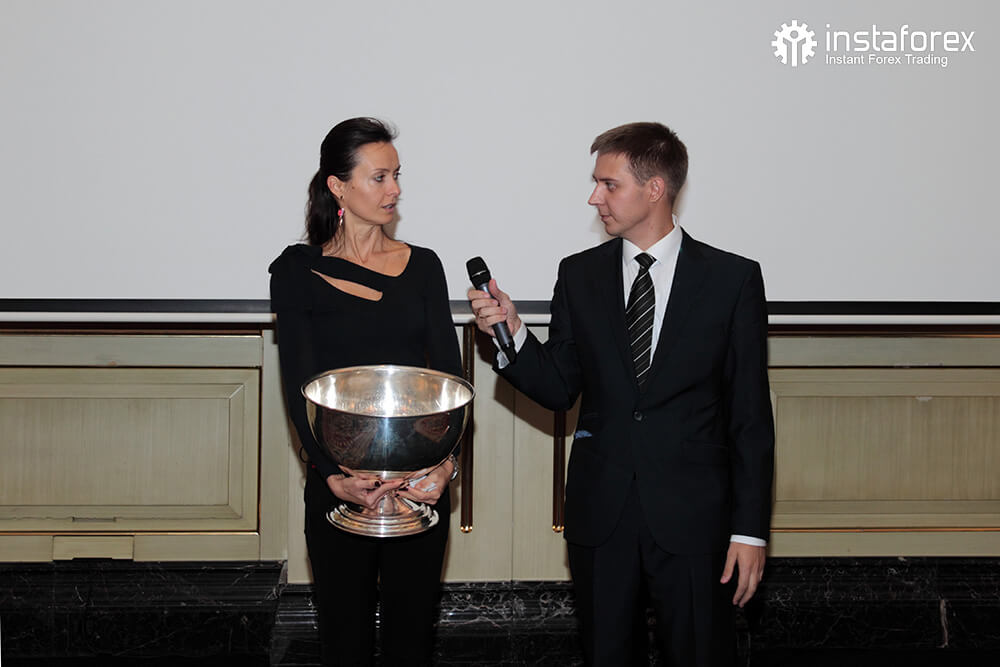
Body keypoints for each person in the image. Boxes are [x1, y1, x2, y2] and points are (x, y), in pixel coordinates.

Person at [468, 122, 775, 666]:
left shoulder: (732, 280)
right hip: (601, 513)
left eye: (609, 184)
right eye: (596, 183)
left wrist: (749, 532)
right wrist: (512, 333)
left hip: (695, 518)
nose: (595, 197)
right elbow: (559, 387)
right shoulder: (579, 275)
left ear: (655, 189)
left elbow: (749, 418)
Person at [269, 117, 462, 667]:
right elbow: (298, 386)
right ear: (338, 186)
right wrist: (333, 475)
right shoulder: (296, 271)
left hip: (418, 486)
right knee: (344, 641)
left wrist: (444, 468)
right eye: (379, 177)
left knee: (411, 643)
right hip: (338, 485)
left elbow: (450, 380)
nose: (394, 189)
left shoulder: (424, 266)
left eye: (396, 175)